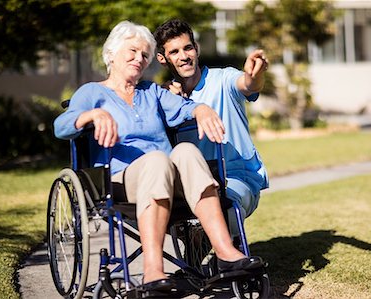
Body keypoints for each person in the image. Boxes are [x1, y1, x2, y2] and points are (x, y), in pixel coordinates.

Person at [53, 20, 262, 294]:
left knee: (186, 151)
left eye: (144, 55)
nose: (139, 59)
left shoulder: (151, 92)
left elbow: (187, 107)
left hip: (167, 179)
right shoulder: (92, 93)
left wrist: (200, 111)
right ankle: (153, 271)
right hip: (120, 182)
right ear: (112, 54)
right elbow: (61, 126)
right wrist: (91, 114)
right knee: (157, 160)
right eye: (132, 52)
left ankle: (226, 253)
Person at [153, 19, 269, 236]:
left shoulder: (223, 79)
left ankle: (228, 256)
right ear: (162, 58)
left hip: (236, 180)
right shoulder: (164, 97)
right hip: (189, 186)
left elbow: (248, 84)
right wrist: (165, 99)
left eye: (188, 48)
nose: (184, 56)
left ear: (196, 49)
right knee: (149, 208)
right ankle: (196, 257)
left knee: (221, 206)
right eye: (175, 52)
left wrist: (255, 75)